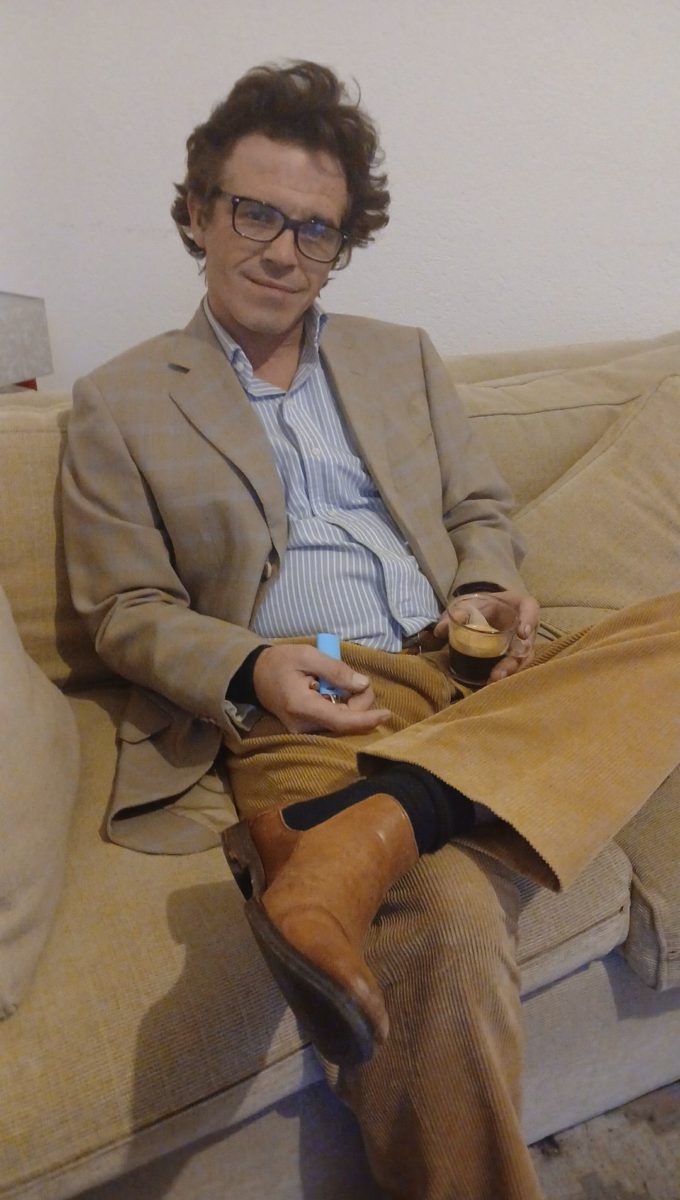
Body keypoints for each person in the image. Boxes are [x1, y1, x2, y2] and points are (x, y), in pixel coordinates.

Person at [62, 60, 679, 1200]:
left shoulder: (400, 354)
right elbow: (122, 611)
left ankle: (367, 830)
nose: (282, 250)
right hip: (317, 703)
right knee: (447, 925)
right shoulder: (119, 399)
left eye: (316, 229)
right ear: (197, 211)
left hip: (465, 671)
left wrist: (484, 585)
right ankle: (386, 822)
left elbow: (477, 511)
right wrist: (254, 664)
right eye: (255, 212)